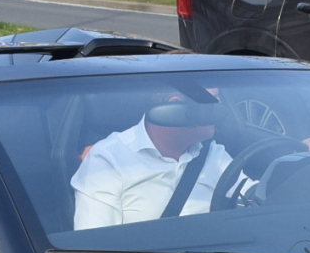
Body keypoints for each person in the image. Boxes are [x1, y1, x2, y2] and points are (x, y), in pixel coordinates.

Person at [70, 97, 233, 229]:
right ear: (175, 107)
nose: (221, 108)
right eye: (212, 101)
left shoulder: (213, 153)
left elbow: (253, 198)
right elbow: (95, 246)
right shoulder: (109, 159)